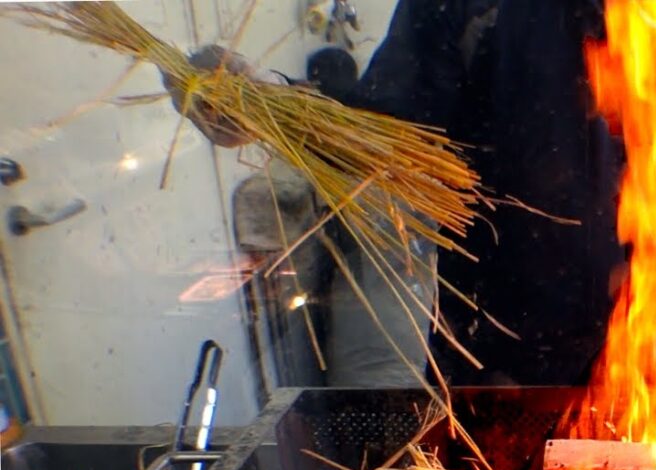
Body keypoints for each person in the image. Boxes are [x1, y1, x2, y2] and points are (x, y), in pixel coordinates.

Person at [173, 0, 627, 387]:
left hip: (651, 361)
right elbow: (381, 138)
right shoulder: (475, 11)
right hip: (495, 366)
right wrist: (272, 106)